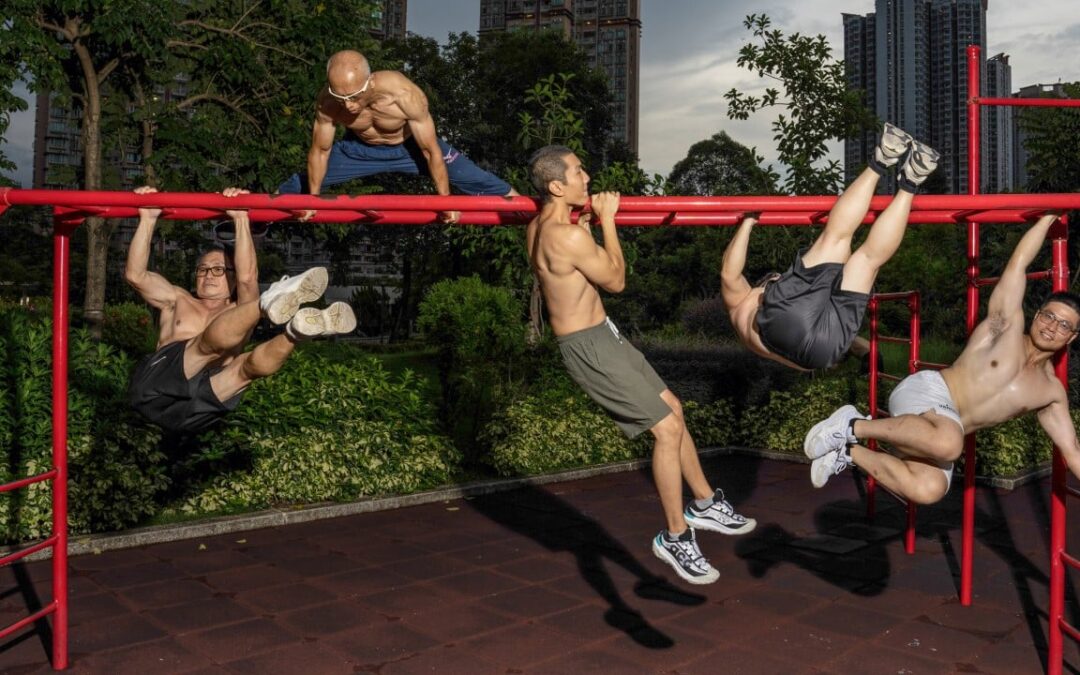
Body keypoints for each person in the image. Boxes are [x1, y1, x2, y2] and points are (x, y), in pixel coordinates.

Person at [525, 145, 756, 586]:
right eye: (578, 171)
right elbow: (615, 280)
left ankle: (705, 503)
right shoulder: (567, 235)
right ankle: (675, 535)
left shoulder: (539, 227)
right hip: (590, 347)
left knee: (675, 409)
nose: (587, 176)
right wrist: (608, 221)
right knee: (667, 428)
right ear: (557, 185)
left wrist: (589, 225)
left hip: (602, 336)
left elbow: (566, 275)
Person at [804, 212, 1080, 502]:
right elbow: (1018, 264)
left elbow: (1073, 450)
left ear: (1072, 336)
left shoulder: (1050, 392)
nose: (1052, 326)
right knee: (950, 443)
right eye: (1049, 316)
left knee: (928, 490)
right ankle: (850, 425)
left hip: (939, 433)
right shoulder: (1006, 328)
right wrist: (1047, 218)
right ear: (1037, 315)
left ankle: (846, 452)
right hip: (929, 393)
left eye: (1064, 325)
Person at [125, 186, 357, 434]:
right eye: (202, 269)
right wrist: (148, 219)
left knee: (246, 370)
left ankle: (298, 331)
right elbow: (135, 275)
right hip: (154, 390)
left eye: (218, 269)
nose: (208, 275)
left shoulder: (239, 309)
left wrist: (240, 218)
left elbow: (248, 278)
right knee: (207, 346)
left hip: (189, 412)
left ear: (233, 279)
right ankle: (269, 302)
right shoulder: (176, 299)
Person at [721, 123, 941, 370]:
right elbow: (729, 273)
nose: (782, 277)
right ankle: (884, 157)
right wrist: (748, 222)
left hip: (820, 355)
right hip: (785, 328)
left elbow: (819, 341)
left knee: (868, 261)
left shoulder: (746, 316)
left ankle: (911, 182)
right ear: (764, 285)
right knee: (835, 238)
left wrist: (861, 350)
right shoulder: (744, 301)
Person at [278, 50, 518, 224]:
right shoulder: (328, 102)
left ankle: (526, 210)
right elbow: (320, 151)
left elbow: (430, 151)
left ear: (370, 82)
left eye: (354, 96)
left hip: (411, 148)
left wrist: (446, 202)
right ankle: (254, 222)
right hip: (358, 150)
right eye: (341, 98)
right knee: (297, 187)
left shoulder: (404, 95)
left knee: (478, 180)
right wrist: (313, 200)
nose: (348, 105)